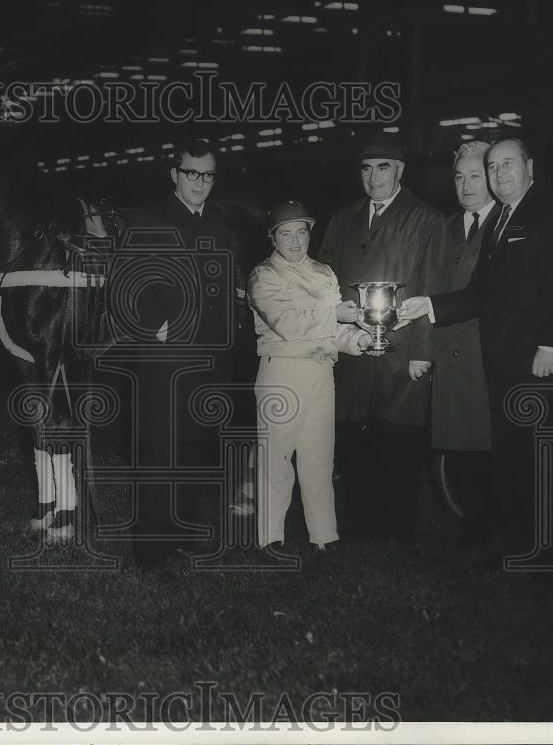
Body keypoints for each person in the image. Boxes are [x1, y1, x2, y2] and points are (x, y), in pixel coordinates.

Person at [401, 137, 553, 566]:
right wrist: (429, 306)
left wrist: (551, 343)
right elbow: (479, 292)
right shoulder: (503, 217)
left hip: (538, 361)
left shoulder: (549, 209)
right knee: (515, 460)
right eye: (494, 167)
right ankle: (521, 547)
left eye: (508, 165)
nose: (500, 175)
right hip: (504, 363)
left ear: (530, 167)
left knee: (544, 459)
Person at [109, 139, 238, 571]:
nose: (199, 182)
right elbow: (123, 288)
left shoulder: (220, 227)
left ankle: (179, 539)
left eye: (207, 175)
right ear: (174, 175)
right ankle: (151, 552)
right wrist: (155, 326)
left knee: (191, 451)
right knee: (159, 456)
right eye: (190, 173)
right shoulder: (148, 222)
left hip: (207, 363)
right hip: (164, 364)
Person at [315, 132, 441, 543]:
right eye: (366, 169)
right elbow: (326, 281)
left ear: (400, 171)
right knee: (354, 439)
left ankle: (397, 530)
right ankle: (362, 526)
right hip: (353, 344)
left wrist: (422, 350)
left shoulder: (424, 218)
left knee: (397, 439)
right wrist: (333, 330)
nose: (374, 178)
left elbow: (432, 286)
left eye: (383, 168)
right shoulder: (343, 218)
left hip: (401, 348)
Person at [247, 200, 373, 559]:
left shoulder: (324, 272)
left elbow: (333, 330)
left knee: (319, 459)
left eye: (301, 232)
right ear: (273, 238)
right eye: (286, 233)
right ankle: (270, 536)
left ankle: (324, 534)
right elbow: (287, 324)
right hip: (282, 371)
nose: (295, 240)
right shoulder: (263, 275)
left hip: (321, 371)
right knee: (276, 460)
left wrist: (358, 340)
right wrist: (332, 313)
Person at [424, 141, 496, 546]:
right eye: (459, 176)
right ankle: (473, 525)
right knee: (460, 448)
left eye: (476, 176)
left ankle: (487, 529)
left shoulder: (506, 224)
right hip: (447, 355)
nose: (466, 186)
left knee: (486, 449)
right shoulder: (444, 226)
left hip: (483, 357)